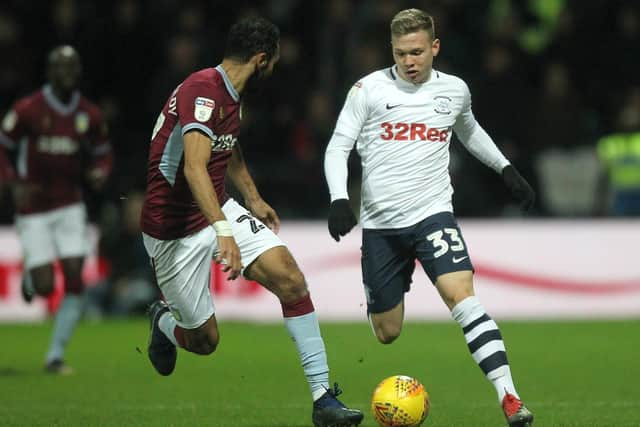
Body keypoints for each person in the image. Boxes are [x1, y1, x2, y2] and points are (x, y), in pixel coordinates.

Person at [140, 17, 363, 427]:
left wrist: (253, 197)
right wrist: (224, 232)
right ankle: (163, 322)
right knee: (204, 342)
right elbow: (194, 168)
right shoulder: (202, 90)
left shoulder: (230, 92)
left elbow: (229, 144)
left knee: (291, 279)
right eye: (273, 61)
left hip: (217, 204)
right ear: (262, 59)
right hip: (172, 228)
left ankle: (322, 398)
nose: (275, 68)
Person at [324, 9, 535, 427]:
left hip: (433, 215)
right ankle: (393, 280)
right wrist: (337, 198)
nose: (410, 61)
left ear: (434, 47)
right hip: (382, 227)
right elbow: (337, 147)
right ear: (392, 50)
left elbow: (469, 130)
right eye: (401, 53)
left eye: (418, 52)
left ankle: (509, 397)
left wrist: (506, 169)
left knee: (463, 297)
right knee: (387, 332)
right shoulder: (367, 90)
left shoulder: (454, 90)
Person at [0, 45, 113, 374]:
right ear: (49, 72)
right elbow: (3, 146)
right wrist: (11, 181)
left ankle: (55, 355)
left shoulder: (88, 115)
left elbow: (103, 152)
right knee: (47, 286)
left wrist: (101, 171)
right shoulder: (28, 109)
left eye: (73, 67)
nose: (68, 73)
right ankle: (31, 281)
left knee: (76, 275)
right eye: (60, 67)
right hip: (33, 207)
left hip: (69, 203)